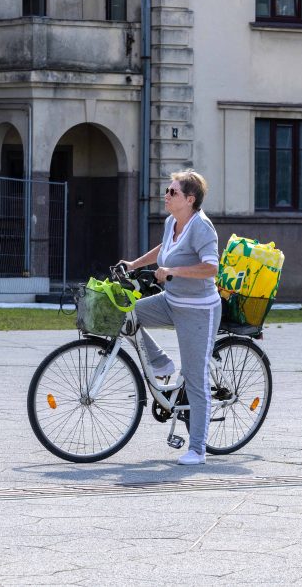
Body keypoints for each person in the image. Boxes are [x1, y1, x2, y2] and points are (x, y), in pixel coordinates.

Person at [119, 171, 220, 466]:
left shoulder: (202, 228)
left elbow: (211, 267)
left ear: (190, 200)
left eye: (172, 192)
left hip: (199, 310)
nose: (166, 195)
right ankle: (161, 361)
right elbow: (165, 250)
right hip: (172, 301)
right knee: (128, 313)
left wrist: (176, 272)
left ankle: (198, 449)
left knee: (195, 378)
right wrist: (134, 264)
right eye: (167, 190)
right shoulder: (171, 222)